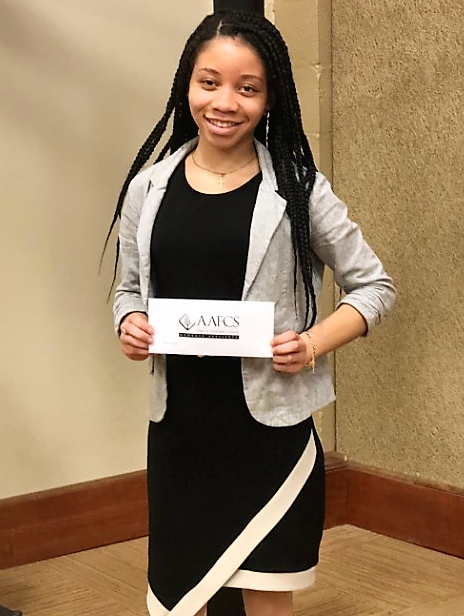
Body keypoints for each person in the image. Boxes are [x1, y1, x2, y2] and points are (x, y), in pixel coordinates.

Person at [109, 9, 396, 616]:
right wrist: (128, 323)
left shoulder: (298, 189)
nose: (224, 102)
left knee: (265, 599)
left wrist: (312, 343)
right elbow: (129, 290)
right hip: (181, 434)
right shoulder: (149, 188)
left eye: (247, 87)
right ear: (187, 84)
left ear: (270, 99)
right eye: (209, 82)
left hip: (269, 435)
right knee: (184, 600)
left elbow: (374, 287)